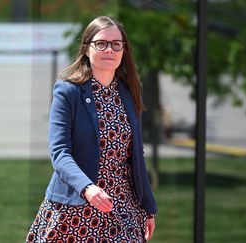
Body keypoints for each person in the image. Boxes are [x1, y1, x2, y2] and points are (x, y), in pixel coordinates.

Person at [25, 16, 157, 242]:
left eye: (117, 44)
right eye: (101, 43)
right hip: (76, 209)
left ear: (124, 51)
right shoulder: (68, 92)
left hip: (123, 209)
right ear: (87, 49)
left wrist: (148, 207)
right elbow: (59, 153)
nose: (110, 49)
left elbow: (136, 155)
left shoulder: (130, 93)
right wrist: (87, 187)